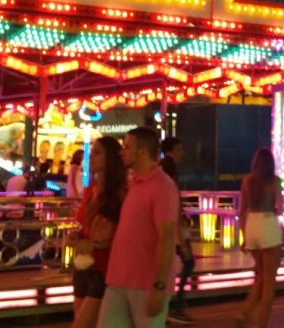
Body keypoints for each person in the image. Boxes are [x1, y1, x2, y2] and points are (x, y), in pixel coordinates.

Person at [97, 127, 179, 328]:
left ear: (142, 151)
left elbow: (166, 237)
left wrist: (159, 285)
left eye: (127, 147)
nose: (121, 151)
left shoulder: (162, 186)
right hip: (119, 278)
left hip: (146, 282)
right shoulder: (133, 183)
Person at [70, 137, 127, 328]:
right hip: (83, 265)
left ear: (111, 158)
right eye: (91, 152)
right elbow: (86, 225)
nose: (91, 157)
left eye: (97, 153)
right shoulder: (90, 190)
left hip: (104, 267)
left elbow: (125, 233)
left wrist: (95, 244)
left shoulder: (121, 192)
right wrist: (78, 236)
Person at [237, 148, 283, 327]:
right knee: (269, 280)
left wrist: (243, 237)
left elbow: (242, 211)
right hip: (268, 225)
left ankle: (245, 312)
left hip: (251, 228)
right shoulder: (274, 181)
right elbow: (281, 207)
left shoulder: (247, 181)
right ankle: (261, 323)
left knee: (262, 275)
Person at [160, 136, 194, 325]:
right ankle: (176, 306)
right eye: (180, 149)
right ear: (172, 150)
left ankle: (172, 305)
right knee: (187, 261)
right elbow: (172, 199)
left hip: (172, 223)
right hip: (173, 225)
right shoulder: (169, 168)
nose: (183, 152)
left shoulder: (164, 166)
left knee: (172, 264)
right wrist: (180, 231)